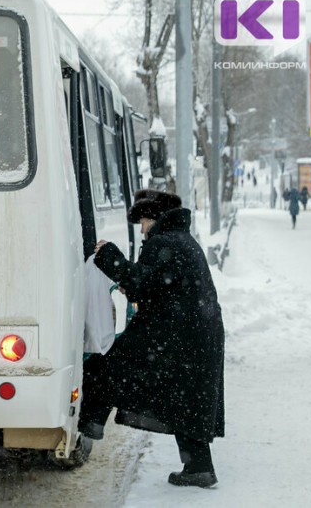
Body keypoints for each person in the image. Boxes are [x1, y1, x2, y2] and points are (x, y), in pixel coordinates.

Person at [78, 189, 225, 489]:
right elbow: (158, 285)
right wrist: (135, 287)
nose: (142, 230)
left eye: (144, 222)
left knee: (105, 365)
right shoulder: (182, 240)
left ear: (155, 218)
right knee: (187, 401)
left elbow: (141, 282)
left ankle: (88, 426)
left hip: (175, 335)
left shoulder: (163, 242)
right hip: (196, 334)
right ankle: (199, 466)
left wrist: (109, 255)